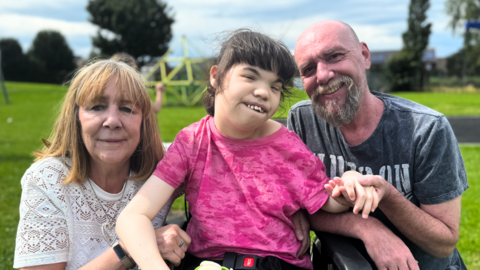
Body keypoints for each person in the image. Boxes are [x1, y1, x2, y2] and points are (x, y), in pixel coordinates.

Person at [116, 29, 385, 270]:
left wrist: (349, 184)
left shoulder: (288, 147)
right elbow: (133, 217)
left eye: (274, 86)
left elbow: (327, 200)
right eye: (250, 77)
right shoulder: (192, 142)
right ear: (215, 76)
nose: (263, 92)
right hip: (207, 263)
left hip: (278, 264)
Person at [288, 20, 468, 270]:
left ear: (364, 56)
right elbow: (301, 206)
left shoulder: (426, 129)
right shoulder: (302, 121)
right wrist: (368, 228)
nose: (322, 75)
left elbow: (443, 243)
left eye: (335, 56)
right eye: (308, 69)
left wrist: (387, 195)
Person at [13, 60, 190, 270]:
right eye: (97, 107)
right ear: (76, 118)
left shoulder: (163, 166)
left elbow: (220, 146)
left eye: (127, 108)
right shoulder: (47, 179)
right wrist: (135, 246)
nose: (112, 121)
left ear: (144, 120)